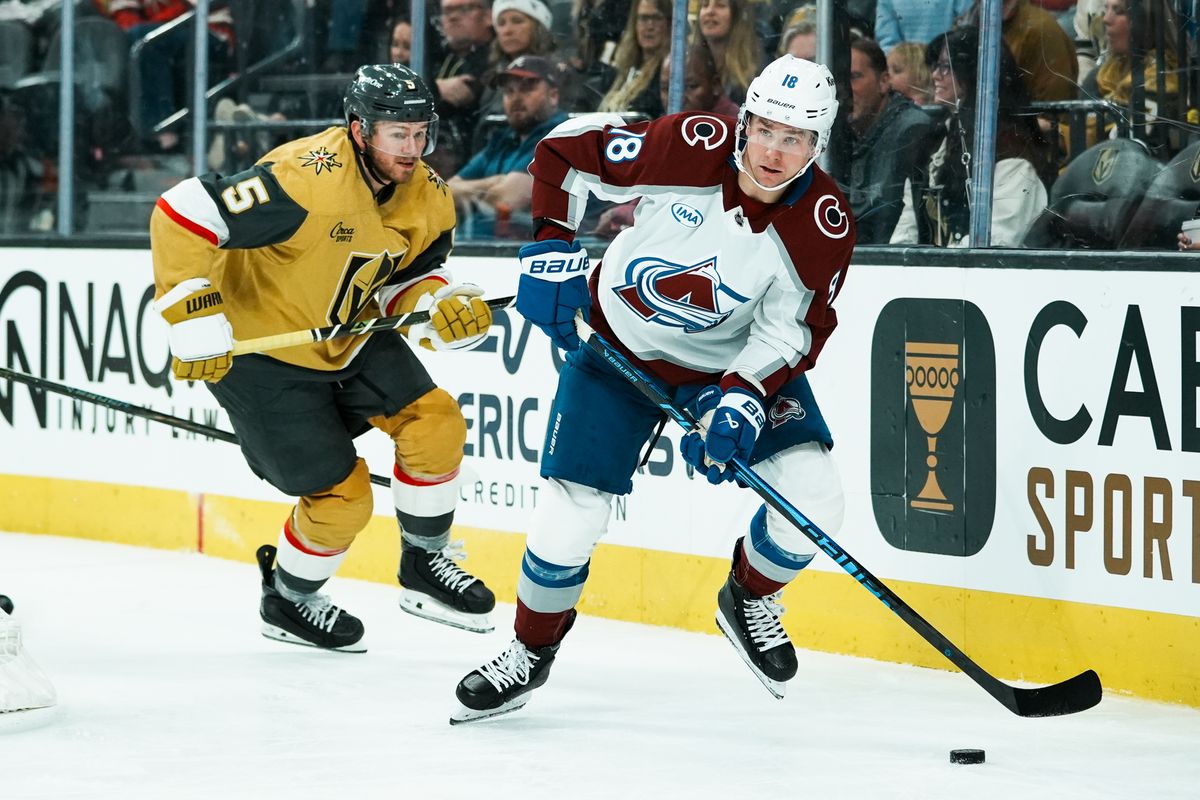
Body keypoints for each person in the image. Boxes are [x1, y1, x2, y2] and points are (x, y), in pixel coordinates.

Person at [451, 54, 855, 722]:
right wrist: (552, 251)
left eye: (796, 138)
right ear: (745, 121)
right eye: (766, 129)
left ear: (817, 145)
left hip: (719, 366)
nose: (776, 150)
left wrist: (743, 397)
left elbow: (792, 330)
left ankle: (749, 596)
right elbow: (562, 156)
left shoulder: (823, 222)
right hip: (617, 349)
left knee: (816, 494)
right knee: (568, 518)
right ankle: (529, 650)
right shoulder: (686, 147)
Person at [149, 65, 499, 653]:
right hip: (265, 357)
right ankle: (290, 597)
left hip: (352, 333)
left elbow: (408, 277)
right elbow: (184, 211)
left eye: (420, 134)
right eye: (397, 134)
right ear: (360, 130)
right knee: (344, 500)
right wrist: (193, 313)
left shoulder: (430, 195)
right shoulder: (302, 179)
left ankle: (425, 563)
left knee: (436, 422)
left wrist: (438, 302)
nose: (412, 150)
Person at [890, 27, 1053, 247]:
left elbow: (995, 243)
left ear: (975, 72)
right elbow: (907, 228)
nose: (936, 75)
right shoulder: (935, 142)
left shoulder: (1011, 151)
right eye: (936, 66)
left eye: (946, 67)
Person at [449, 55, 569, 236]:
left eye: (527, 89)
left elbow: (504, 200)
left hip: (533, 253)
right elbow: (443, 192)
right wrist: (494, 183)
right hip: (477, 248)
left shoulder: (562, 138)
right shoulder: (502, 140)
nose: (516, 98)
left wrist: (467, 193)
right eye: (509, 91)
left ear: (553, 95)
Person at [840, 35, 938, 243]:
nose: (845, 89)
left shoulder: (913, 130)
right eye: (839, 79)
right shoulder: (836, 133)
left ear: (884, 81)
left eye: (854, 77)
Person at [597, 0, 671, 119]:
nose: (649, 26)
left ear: (669, 24)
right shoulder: (620, 70)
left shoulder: (667, 73)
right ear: (634, 23)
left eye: (656, 18)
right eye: (643, 18)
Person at [694, 0, 762, 103]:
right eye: (705, 5)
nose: (710, 11)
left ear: (737, 15)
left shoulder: (756, 74)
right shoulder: (688, 64)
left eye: (720, 5)